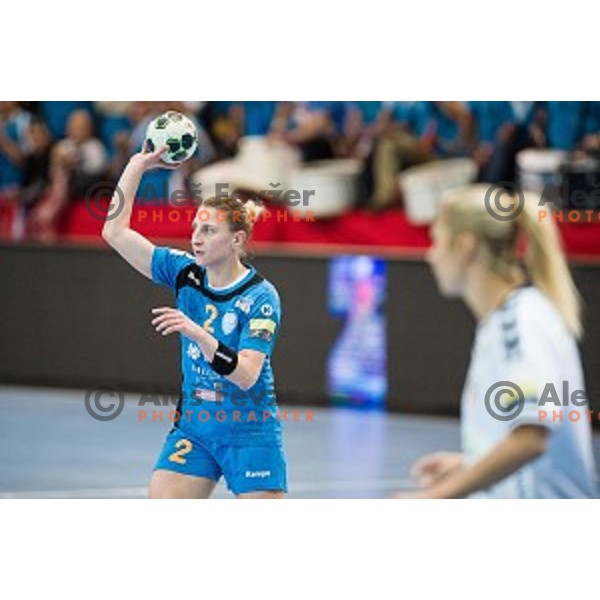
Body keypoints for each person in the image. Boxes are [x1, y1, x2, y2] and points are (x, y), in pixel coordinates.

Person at [102, 143, 287, 499]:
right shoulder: (184, 272)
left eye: (208, 232)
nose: (196, 239)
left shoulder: (261, 297)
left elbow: (247, 375)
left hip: (249, 431)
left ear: (237, 240)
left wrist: (198, 334)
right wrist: (136, 166)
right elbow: (115, 233)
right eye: (195, 229)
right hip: (195, 429)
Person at [395, 184, 597, 499]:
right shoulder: (502, 322)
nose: (430, 255)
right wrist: (468, 464)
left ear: (465, 246)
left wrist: (434, 497)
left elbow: (531, 438)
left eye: (437, 241)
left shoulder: (519, 324)